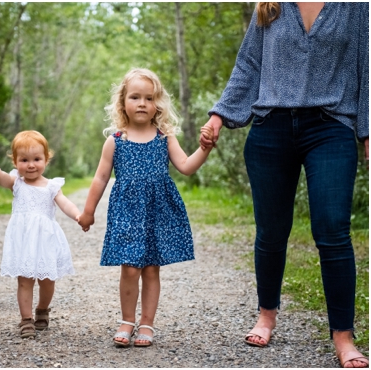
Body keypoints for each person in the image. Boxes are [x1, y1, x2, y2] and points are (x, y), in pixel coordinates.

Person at [199, 3, 368, 367]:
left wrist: (367, 131)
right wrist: (219, 115)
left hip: (331, 126)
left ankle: (343, 336)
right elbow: (249, 64)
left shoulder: (356, 7)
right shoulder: (271, 5)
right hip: (269, 126)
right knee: (271, 231)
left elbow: (366, 67)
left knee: (333, 229)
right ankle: (266, 315)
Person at [78, 68, 213, 347]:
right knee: (129, 267)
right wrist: (88, 211)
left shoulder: (165, 136)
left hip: (157, 211)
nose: (142, 103)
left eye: (149, 98)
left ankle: (147, 323)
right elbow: (100, 177)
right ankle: (127, 320)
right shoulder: (116, 140)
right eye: (135, 97)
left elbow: (186, 167)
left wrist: (205, 149)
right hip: (127, 211)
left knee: (152, 268)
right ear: (122, 103)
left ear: (157, 105)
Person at [0, 131, 79, 338]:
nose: (31, 165)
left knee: (47, 280)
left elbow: (65, 204)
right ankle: (26, 320)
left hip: (45, 241)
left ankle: (42, 309)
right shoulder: (16, 183)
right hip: (24, 241)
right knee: (24, 280)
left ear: (46, 159)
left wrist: (79, 215)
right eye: (24, 160)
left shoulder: (52, 186)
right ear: (15, 162)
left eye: (36, 159)